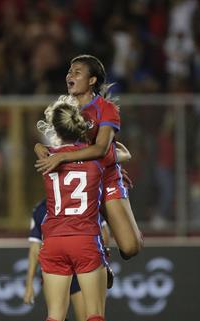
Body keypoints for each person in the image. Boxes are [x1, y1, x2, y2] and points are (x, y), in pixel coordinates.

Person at [27, 97, 130, 321]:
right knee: (95, 315)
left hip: (54, 241)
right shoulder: (99, 156)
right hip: (85, 239)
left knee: (55, 317)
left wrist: (46, 146)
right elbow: (124, 153)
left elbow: (42, 147)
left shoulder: (48, 155)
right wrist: (95, 140)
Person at [34, 54, 143, 260]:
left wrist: (62, 158)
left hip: (106, 179)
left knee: (130, 248)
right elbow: (62, 145)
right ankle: (101, 256)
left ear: (92, 80)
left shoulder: (105, 108)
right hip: (81, 182)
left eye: (77, 72)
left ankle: (114, 226)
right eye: (69, 71)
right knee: (79, 243)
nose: (70, 75)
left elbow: (101, 148)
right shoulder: (65, 107)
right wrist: (39, 147)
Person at [24, 198, 111, 321]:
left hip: (78, 265)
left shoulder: (82, 199)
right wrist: (29, 283)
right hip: (60, 264)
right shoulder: (40, 209)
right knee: (58, 320)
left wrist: (101, 252)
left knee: (83, 319)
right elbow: (34, 248)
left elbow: (104, 230)